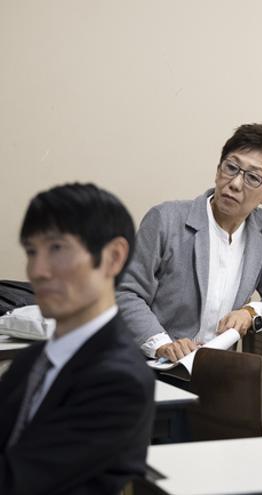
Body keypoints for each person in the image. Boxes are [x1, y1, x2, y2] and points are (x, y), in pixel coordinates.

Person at [0, 183, 155, 494]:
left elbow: (17, 481)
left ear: (113, 257)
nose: (37, 270)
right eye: (32, 252)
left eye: (57, 249)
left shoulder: (119, 379)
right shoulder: (33, 359)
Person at [118, 122, 262, 361]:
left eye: (253, 178)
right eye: (231, 167)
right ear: (218, 170)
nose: (235, 183)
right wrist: (163, 345)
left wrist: (250, 312)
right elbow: (126, 293)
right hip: (155, 367)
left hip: (215, 372)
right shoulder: (165, 219)